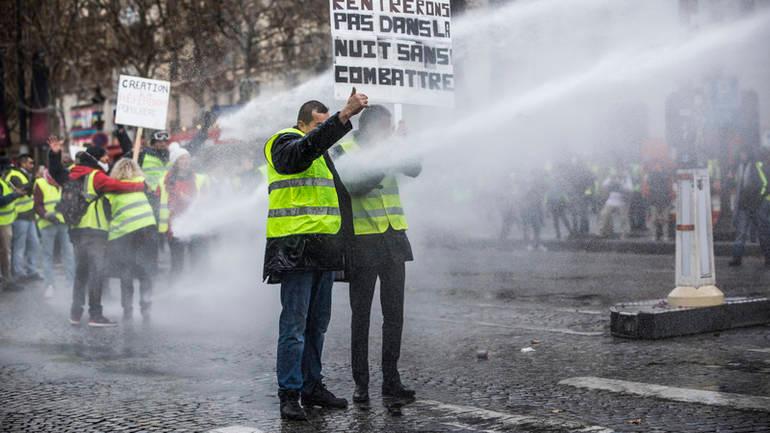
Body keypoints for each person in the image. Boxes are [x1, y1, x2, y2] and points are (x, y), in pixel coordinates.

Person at [264, 90, 367, 421]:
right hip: (295, 248)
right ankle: (289, 393)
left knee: (318, 324)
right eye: (318, 125)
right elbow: (298, 155)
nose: (323, 131)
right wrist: (341, 117)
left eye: (326, 124)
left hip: (324, 249)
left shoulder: (324, 153)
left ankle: (312, 386)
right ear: (302, 123)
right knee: (294, 325)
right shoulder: (282, 142)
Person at [330, 105, 420, 407]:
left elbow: (415, 168)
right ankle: (361, 383)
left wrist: (403, 145)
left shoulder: (390, 146)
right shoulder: (343, 148)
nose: (387, 133)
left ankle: (391, 380)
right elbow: (353, 184)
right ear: (368, 127)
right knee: (362, 316)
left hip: (394, 236)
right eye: (384, 128)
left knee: (394, 314)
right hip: (362, 240)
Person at [47, 136, 147, 327]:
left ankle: (75, 314)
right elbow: (118, 186)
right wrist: (140, 185)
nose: (106, 161)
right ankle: (95, 315)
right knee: (96, 273)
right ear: (95, 160)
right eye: (104, 158)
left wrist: (54, 153)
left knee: (80, 273)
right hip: (95, 233)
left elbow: (55, 170)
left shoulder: (70, 174)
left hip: (76, 232)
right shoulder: (96, 176)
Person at [106, 159, 157, 321]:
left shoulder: (112, 187)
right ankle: (145, 307)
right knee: (145, 270)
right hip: (146, 229)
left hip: (124, 233)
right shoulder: (143, 183)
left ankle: (129, 309)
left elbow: (108, 212)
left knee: (127, 271)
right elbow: (153, 201)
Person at [157, 146, 209, 278]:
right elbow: (157, 202)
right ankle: (175, 292)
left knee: (196, 263)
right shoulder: (163, 182)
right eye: (182, 159)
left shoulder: (200, 179)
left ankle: (195, 289)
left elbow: (207, 201)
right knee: (177, 264)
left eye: (187, 158)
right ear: (175, 163)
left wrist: (189, 200)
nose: (186, 161)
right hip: (174, 228)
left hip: (195, 225)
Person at [33, 167, 75, 298]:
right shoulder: (40, 183)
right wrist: (46, 215)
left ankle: (71, 284)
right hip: (48, 223)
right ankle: (49, 285)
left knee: (69, 253)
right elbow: (37, 204)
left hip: (63, 223)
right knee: (48, 255)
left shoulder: (64, 183)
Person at [6, 154, 42, 281]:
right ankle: (19, 272)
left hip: (29, 216)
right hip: (20, 216)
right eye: (30, 163)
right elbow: (22, 191)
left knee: (34, 244)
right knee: (20, 246)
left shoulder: (26, 174)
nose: (32, 165)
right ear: (23, 163)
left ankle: (31, 270)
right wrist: (34, 180)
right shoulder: (14, 175)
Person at [729, 148, 767, 266]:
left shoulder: (755, 167)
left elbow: (762, 184)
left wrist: (758, 199)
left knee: (762, 232)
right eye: (741, 153)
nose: (742, 155)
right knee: (742, 232)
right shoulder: (740, 167)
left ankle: (767, 256)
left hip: (754, 205)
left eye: (744, 153)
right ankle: (737, 258)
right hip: (745, 205)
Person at [0, 157, 23, 291]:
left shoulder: (4, 181)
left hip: (6, 222)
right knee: (5, 253)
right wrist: (15, 195)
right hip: (2, 224)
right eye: (6, 169)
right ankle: (8, 282)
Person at [643, 159, 674, 242]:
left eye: (658, 165)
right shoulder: (666, 175)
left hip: (659, 200)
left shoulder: (651, 175)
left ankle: (660, 236)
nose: (657, 167)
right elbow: (670, 188)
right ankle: (660, 236)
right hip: (661, 200)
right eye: (656, 165)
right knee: (659, 219)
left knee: (660, 219)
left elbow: (648, 188)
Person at [598, 167, 633, 238]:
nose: (619, 173)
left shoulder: (626, 178)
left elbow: (630, 189)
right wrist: (611, 182)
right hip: (611, 200)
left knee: (623, 218)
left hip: (622, 201)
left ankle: (624, 233)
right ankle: (602, 232)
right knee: (604, 214)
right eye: (618, 171)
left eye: (621, 171)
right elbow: (604, 185)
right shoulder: (612, 177)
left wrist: (621, 185)